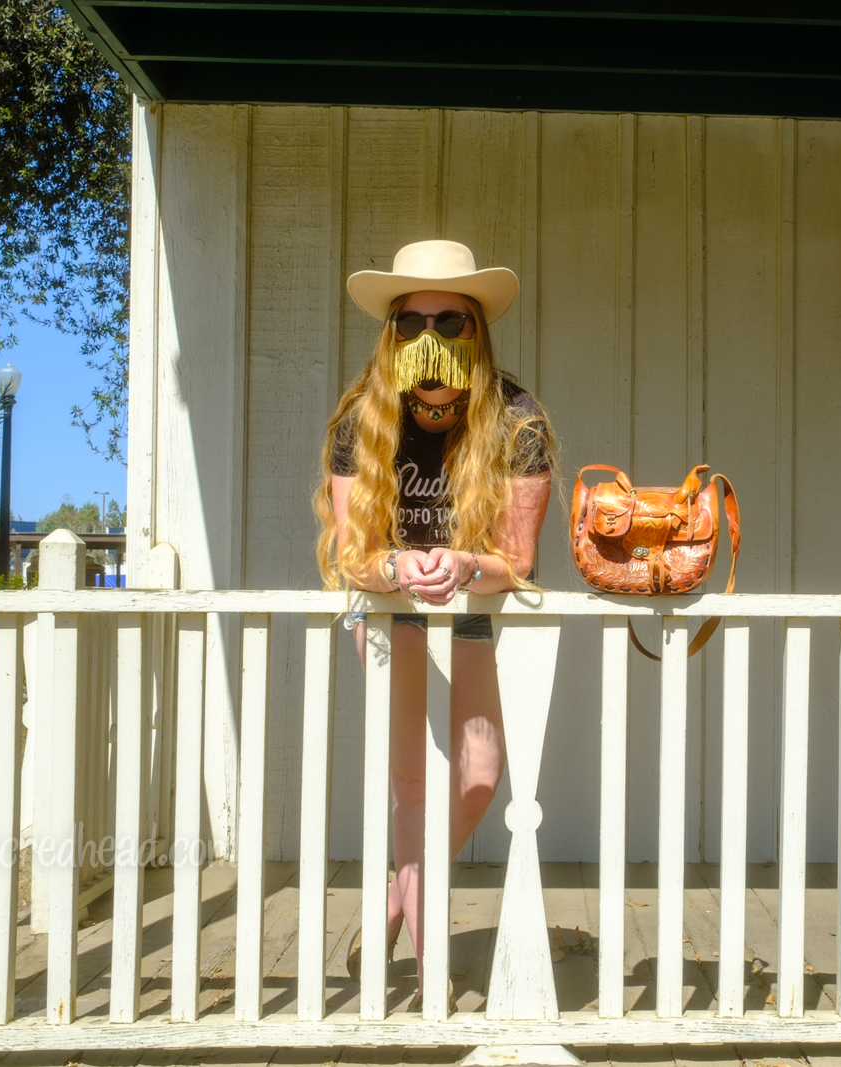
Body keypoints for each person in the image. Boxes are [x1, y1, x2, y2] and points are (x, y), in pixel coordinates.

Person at [315, 239, 554, 998]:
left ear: (476, 329)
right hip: (391, 612)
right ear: (390, 333)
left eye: (450, 320)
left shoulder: (516, 419)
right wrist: (392, 568)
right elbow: (351, 554)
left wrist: (464, 564)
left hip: (470, 605)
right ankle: (430, 974)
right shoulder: (363, 418)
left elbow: (518, 558)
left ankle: (396, 895)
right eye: (410, 321)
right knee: (412, 782)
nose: (430, 335)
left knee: (479, 778)